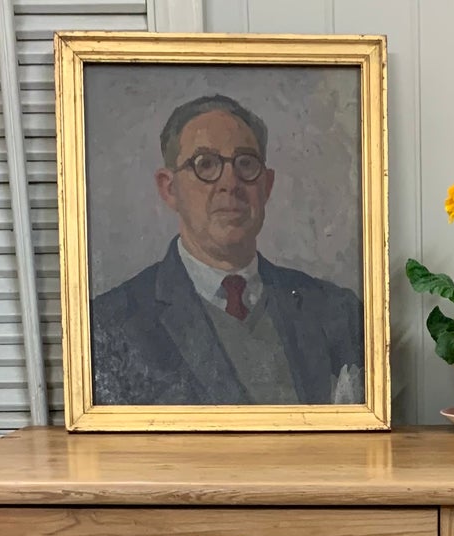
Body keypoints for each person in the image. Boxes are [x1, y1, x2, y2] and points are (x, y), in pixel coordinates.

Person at [91, 93, 365, 407]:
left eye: (245, 164)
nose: (230, 183)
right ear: (169, 188)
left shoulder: (337, 312)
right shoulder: (112, 326)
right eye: (205, 164)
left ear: (267, 186)